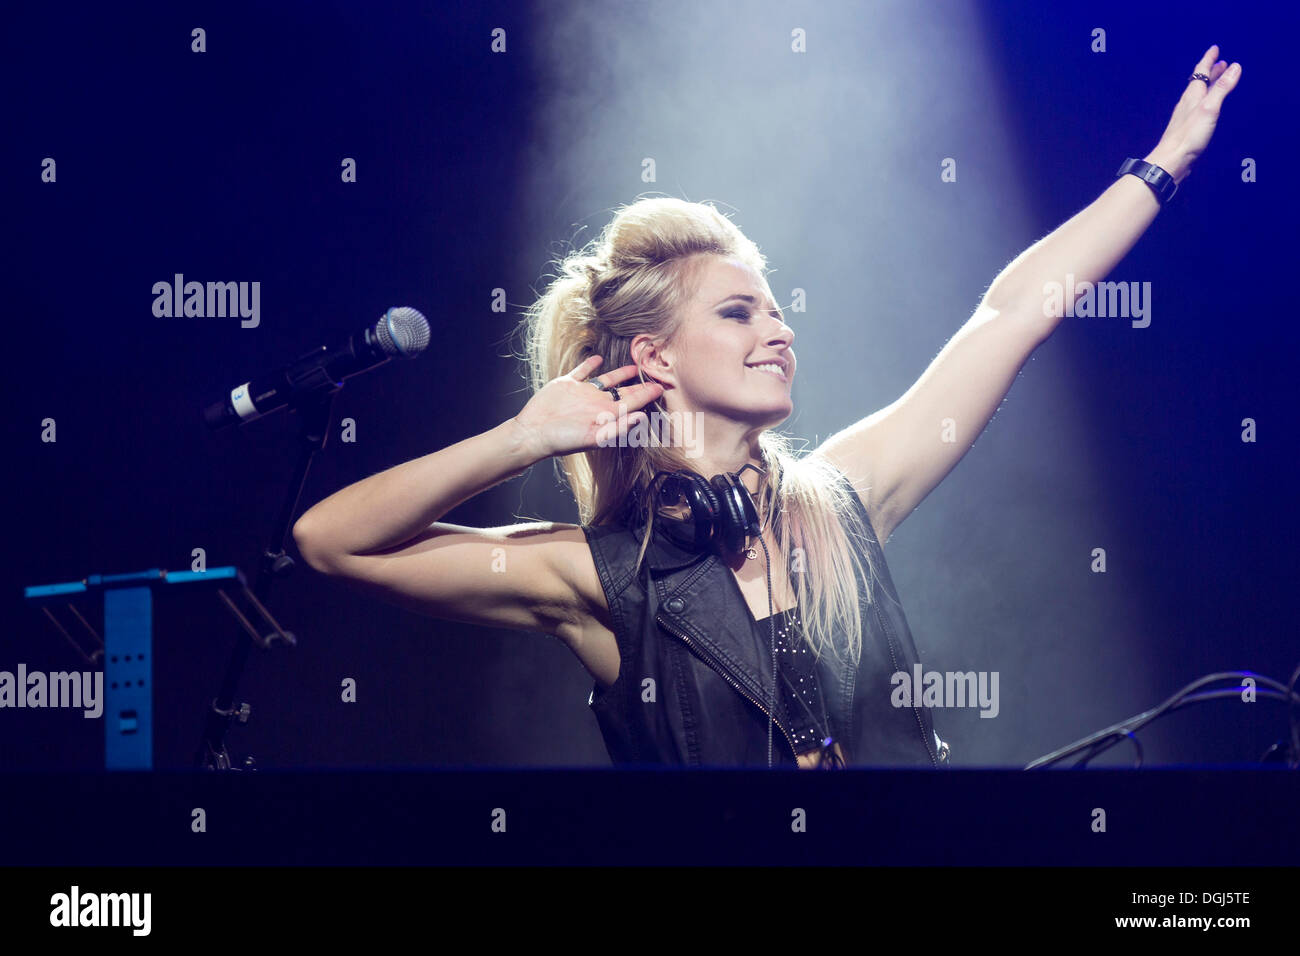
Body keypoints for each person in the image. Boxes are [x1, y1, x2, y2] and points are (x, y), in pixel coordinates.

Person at [292, 46, 1240, 769]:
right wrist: (523, 437)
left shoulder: (843, 500)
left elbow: (1010, 314)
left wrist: (1162, 164)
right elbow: (331, 541)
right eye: (740, 312)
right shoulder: (601, 576)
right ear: (655, 354)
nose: (778, 332)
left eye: (779, 312)